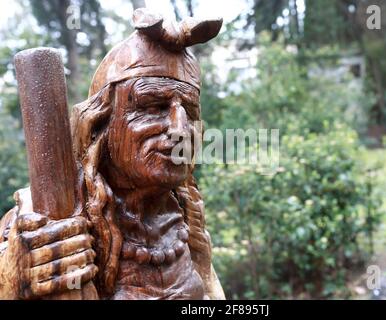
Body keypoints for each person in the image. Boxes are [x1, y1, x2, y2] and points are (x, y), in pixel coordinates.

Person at [0, 8, 225, 300]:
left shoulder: (186, 213)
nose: (181, 129)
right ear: (101, 124)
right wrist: (14, 277)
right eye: (152, 106)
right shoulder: (41, 220)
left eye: (190, 112)